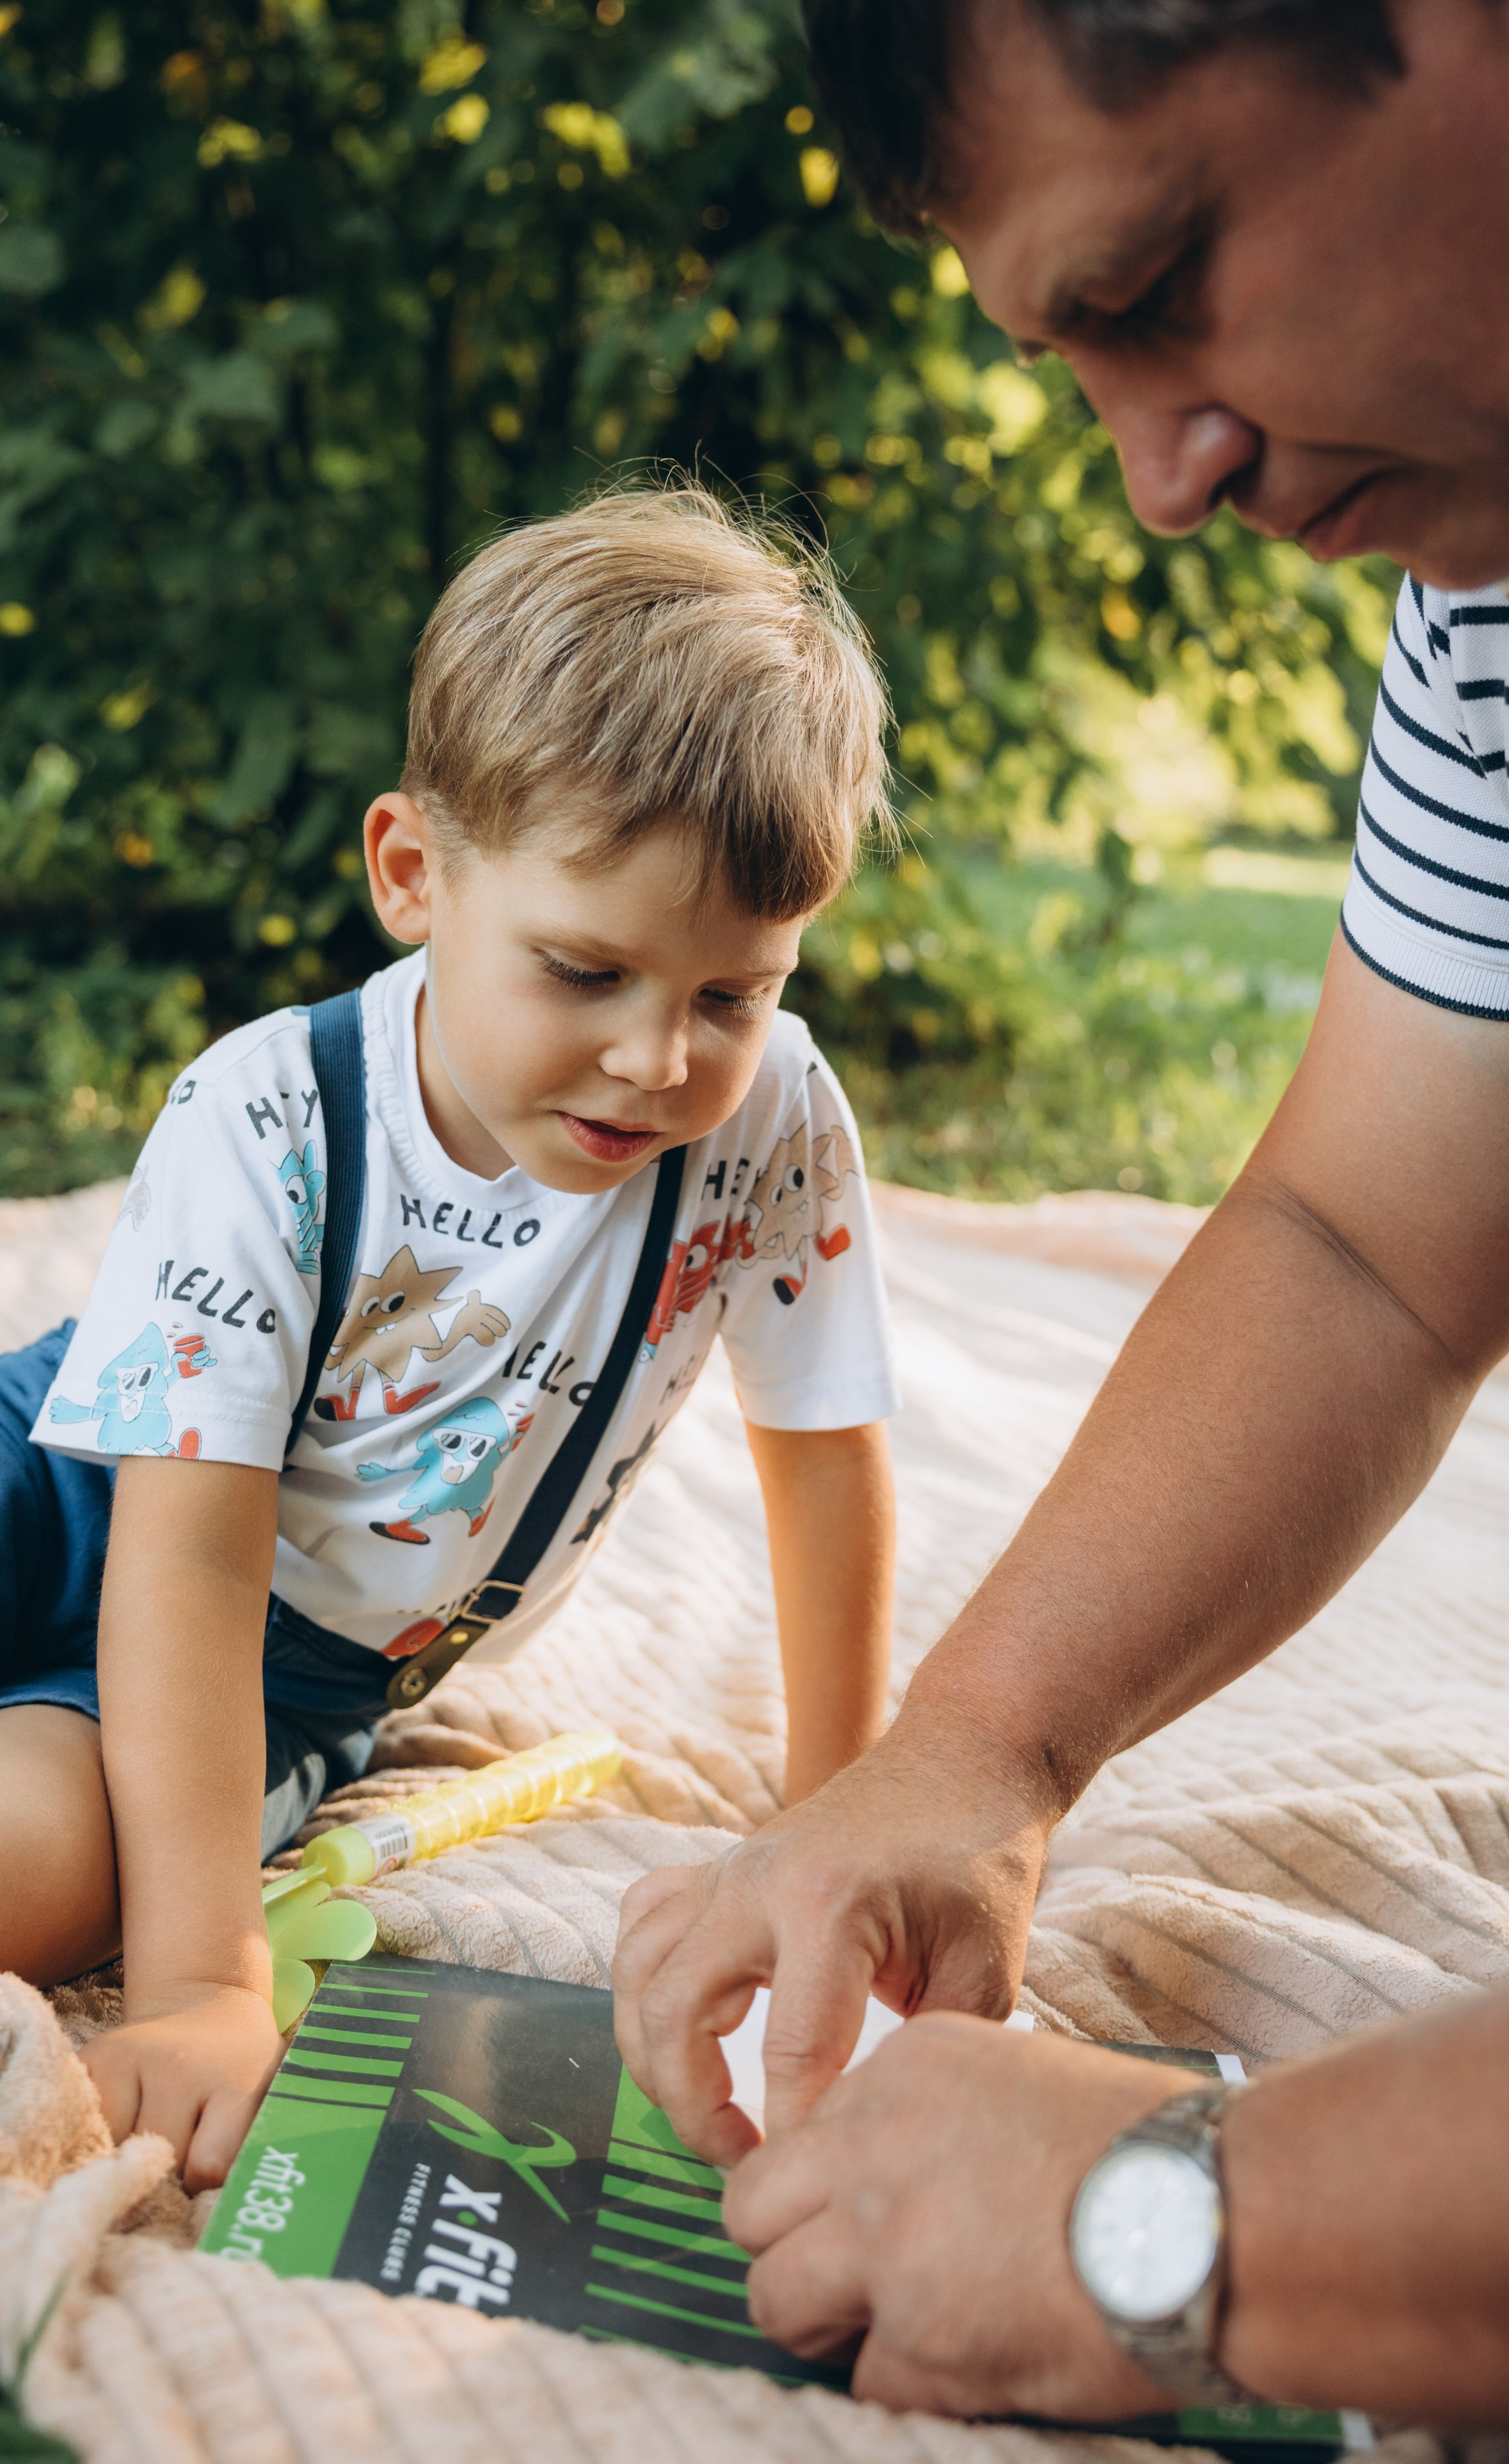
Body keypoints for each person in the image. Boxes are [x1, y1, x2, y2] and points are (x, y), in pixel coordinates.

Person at [613, 0, 1509, 2426]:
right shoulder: (1494, 597)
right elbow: (1379, 1240)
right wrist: (974, 1752)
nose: (1164, 474)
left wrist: (1173, 2225)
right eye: (1076, 362)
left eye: (1172, 275)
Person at [0, 484, 899, 2190]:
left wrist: (842, 1812)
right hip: (57, 1475)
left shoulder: (772, 1127)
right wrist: (207, 1980)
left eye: (733, 992)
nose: (658, 1055)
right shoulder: (267, 1114)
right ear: (416, 873)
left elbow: (828, 1466)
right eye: (584, 973)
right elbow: (178, 1549)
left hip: (301, 1661)